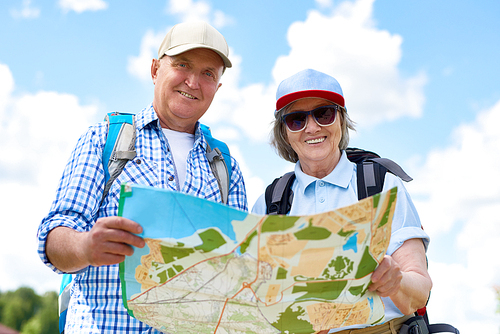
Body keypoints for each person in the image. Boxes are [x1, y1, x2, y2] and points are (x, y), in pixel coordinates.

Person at [37, 21, 247, 333]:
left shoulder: (226, 167)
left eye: (208, 73)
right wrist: (84, 247)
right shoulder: (104, 140)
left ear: (217, 87)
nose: (192, 81)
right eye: (182, 65)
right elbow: (53, 238)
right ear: (154, 70)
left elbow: (238, 274)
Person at [252, 69, 432, 334]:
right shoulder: (269, 204)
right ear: (284, 132)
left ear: (341, 120)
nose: (312, 127)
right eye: (296, 119)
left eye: (324, 113)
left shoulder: (382, 185)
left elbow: (420, 293)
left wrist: (397, 281)